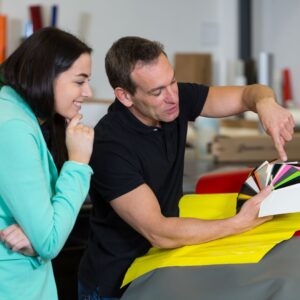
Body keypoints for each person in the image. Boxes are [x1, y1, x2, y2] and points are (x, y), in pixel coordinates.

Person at [78, 36, 295, 299]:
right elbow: (159, 231)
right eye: (157, 92)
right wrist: (239, 223)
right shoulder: (110, 145)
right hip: (118, 280)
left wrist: (266, 104)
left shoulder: (175, 100)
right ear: (125, 96)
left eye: (172, 81)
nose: (172, 97)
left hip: (167, 261)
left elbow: (249, 93)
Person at [0, 27, 94, 299]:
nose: (87, 91)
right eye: (79, 81)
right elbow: (51, 240)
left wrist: (36, 234)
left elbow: (43, 230)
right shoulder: (14, 127)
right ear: (46, 76)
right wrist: (77, 163)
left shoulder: (16, 112)